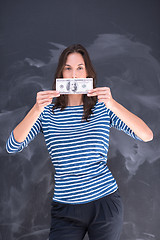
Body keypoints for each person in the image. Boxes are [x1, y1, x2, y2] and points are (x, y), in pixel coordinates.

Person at [6, 44, 153, 240]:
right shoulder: (46, 113)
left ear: (88, 73)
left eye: (79, 68)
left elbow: (146, 135)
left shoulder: (102, 109)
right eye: (68, 68)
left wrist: (112, 103)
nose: (74, 74)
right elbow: (12, 146)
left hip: (105, 203)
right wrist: (35, 110)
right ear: (61, 73)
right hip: (65, 209)